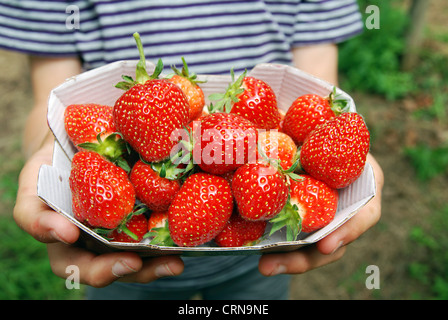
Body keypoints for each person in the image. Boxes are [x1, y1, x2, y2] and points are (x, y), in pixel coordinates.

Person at [1, 0, 384, 299]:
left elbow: (318, 87)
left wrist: (341, 156)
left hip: (263, 247)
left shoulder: (249, 157)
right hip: (130, 256)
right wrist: (47, 148)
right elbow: (50, 104)